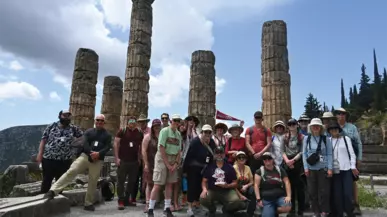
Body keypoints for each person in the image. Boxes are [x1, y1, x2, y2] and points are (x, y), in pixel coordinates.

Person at [43, 114, 112, 211]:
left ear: (104, 122)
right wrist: (91, 153)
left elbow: (107, 147)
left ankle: (88, 203)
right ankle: (53, 191)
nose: (99, 122)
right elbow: (85, 143)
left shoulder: (107, 135)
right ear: (95, 121)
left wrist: (98, 154)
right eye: (98, 120)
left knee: (93, 180)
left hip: (98, 159)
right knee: (72, 171)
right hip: (85, 156)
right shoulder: (89, 131)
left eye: (101, 120)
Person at [37, 109, 83, 194]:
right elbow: (43, 140)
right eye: (64, 115)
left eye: (68, 115)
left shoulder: (73, 128)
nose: (67, 117)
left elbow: (83, 138)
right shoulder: (51, 126)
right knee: (47, 180)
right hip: (49, 158)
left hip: (65, 160)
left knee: (61, 181)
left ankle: (58, 202)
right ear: (59, 116)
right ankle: (43, 201)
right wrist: (40, 154)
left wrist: (75, 145)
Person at [147, 114, 183, 217]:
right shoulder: (165, 131)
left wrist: (176, 163)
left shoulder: (178, 134)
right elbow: (161, 147)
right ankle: (150, 209)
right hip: (163, 158)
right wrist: (167, 164)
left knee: (169, 184)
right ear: (171, 121)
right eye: (175, 120)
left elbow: (179, 151)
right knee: (157, 184)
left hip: (173, 159)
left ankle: (167, 208)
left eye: (178, 120)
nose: (177, 122)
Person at [200, 146, 246, 217]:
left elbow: (235, 183)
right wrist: (204, 189)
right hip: (213, 190)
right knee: (203, 198)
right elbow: (204, 181)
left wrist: (227, 185)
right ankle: (212, 210)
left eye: (221, 152)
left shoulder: (230, 167)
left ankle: (227, 209)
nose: (219, 155)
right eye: (217, 153)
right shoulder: (209, 166)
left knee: (236, 201)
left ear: (224, 154)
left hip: (227, 190)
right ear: (214, 155)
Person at [183, 124, 216, 217]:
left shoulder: (212, 142)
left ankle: (197, 206)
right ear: (202, 132)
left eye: (209, 132)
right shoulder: (195, 142)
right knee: (192, 187)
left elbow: (213, 156)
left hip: (205, 169)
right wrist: (185, 170)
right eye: (205, 132)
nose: (207, 134)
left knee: (200, 188)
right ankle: (189, 208)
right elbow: (188, 156)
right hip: (193, 169)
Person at [302, 118, 333, 217]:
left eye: (317, 126)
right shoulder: (307, 139)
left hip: (322, 168)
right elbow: (304, 154)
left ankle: (324, 211)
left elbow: (329, 154)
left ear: (320, 127)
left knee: (324, 192)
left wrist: (330, 168)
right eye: (313, 126)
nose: (315, 127)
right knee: (312, 192)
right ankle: (316, 212)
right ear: (310, 127)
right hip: (310, 169)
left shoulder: (325, 139)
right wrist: (306, 168)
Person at [334, 108, 363, 215]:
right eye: (339, 113)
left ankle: (355, 204)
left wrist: (359, 158)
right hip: (338, 160)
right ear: (336, 116)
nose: (341, 115)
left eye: (343, 114)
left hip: (351, 158)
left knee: (353, 182)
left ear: (346, 116)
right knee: (338, 184)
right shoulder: (333, 128)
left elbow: (358, 143)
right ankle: (342, 206)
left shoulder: (352, 127)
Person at [328, 122, 358, 217]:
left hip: (346, 169)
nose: (334, 131)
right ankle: (339, 213)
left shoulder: (346, 139)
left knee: (347, 193)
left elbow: (352, 153)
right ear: (329, 131)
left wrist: (353, 166)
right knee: (337, 194)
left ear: (339, 130)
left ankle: (349, 212)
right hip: (335, 170)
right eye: (332, 129)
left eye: (336, 129)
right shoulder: (328, 140)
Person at [114, 116, 144, 209]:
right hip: (123, 160)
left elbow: (141, 146)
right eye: (130, 121)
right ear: (127, 123)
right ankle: (121, 200)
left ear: (136, 123)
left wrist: (139, 158)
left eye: (134, 121)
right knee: (121, 181)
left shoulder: (139, 132)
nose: (132, 123)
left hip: (134, 161)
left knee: (132, 182)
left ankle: (127, 199)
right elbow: (116, 143)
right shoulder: (122, 131)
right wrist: (117, 158)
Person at [254, 152, 292, 217]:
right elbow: (256, 185)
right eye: (265, 159)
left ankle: (273, 211)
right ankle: (269, 211)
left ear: (273, 159)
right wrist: (258, 199)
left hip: (280, 197)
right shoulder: (259, 171)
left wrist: (289, 196)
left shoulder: (279, 169)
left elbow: (287, 182)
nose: (267, 160)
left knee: (287, 206)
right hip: (267, 199)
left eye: (269, 158)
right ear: (263, 160)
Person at [282, 118, 305, 217]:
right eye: (290, 124)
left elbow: (302, 151)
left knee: (300, 188)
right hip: (287, 162)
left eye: (293, 124)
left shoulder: (302, 137)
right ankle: (291, 209)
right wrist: (287, 161)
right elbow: (282, 151)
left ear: (297, 125)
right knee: (289, 187)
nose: (292, 126)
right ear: (288, 126)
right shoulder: (285, 137)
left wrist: (293, 161)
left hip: (298, 162)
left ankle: (300, 210)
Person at [142, 119, 162, 213]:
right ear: (153, 127)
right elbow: (143, 150)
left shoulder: (162, 136)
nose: (157, 127)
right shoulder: (147, 137)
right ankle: (147, 203)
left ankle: (153, 202)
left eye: (158, 125)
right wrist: (146, 163)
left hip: (159, 163)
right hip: (150, 162)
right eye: (155, 126)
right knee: (149, 184)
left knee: (156, 184)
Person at [233, 151, 256, 217]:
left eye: (243, 157)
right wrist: (240, 195)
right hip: (236, 189)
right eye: (239, 157)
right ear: (236, 159)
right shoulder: (233, 168)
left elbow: (252, 182)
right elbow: (232, 185)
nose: (241, 159)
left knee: (254, 190)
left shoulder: (248, 168)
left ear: (246, 159)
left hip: (246, 187)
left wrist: (246, 186)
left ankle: (250, 213)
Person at [135, 113, 150, 204]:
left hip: (146, 157)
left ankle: (143, 195)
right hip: (137, 157)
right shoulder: (136, 131)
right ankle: (134, 196)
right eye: (140, 122)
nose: (142, 123)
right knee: (136, 177)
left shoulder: (149, 131)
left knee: (145, 177)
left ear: (146, 122)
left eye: (143, 122)